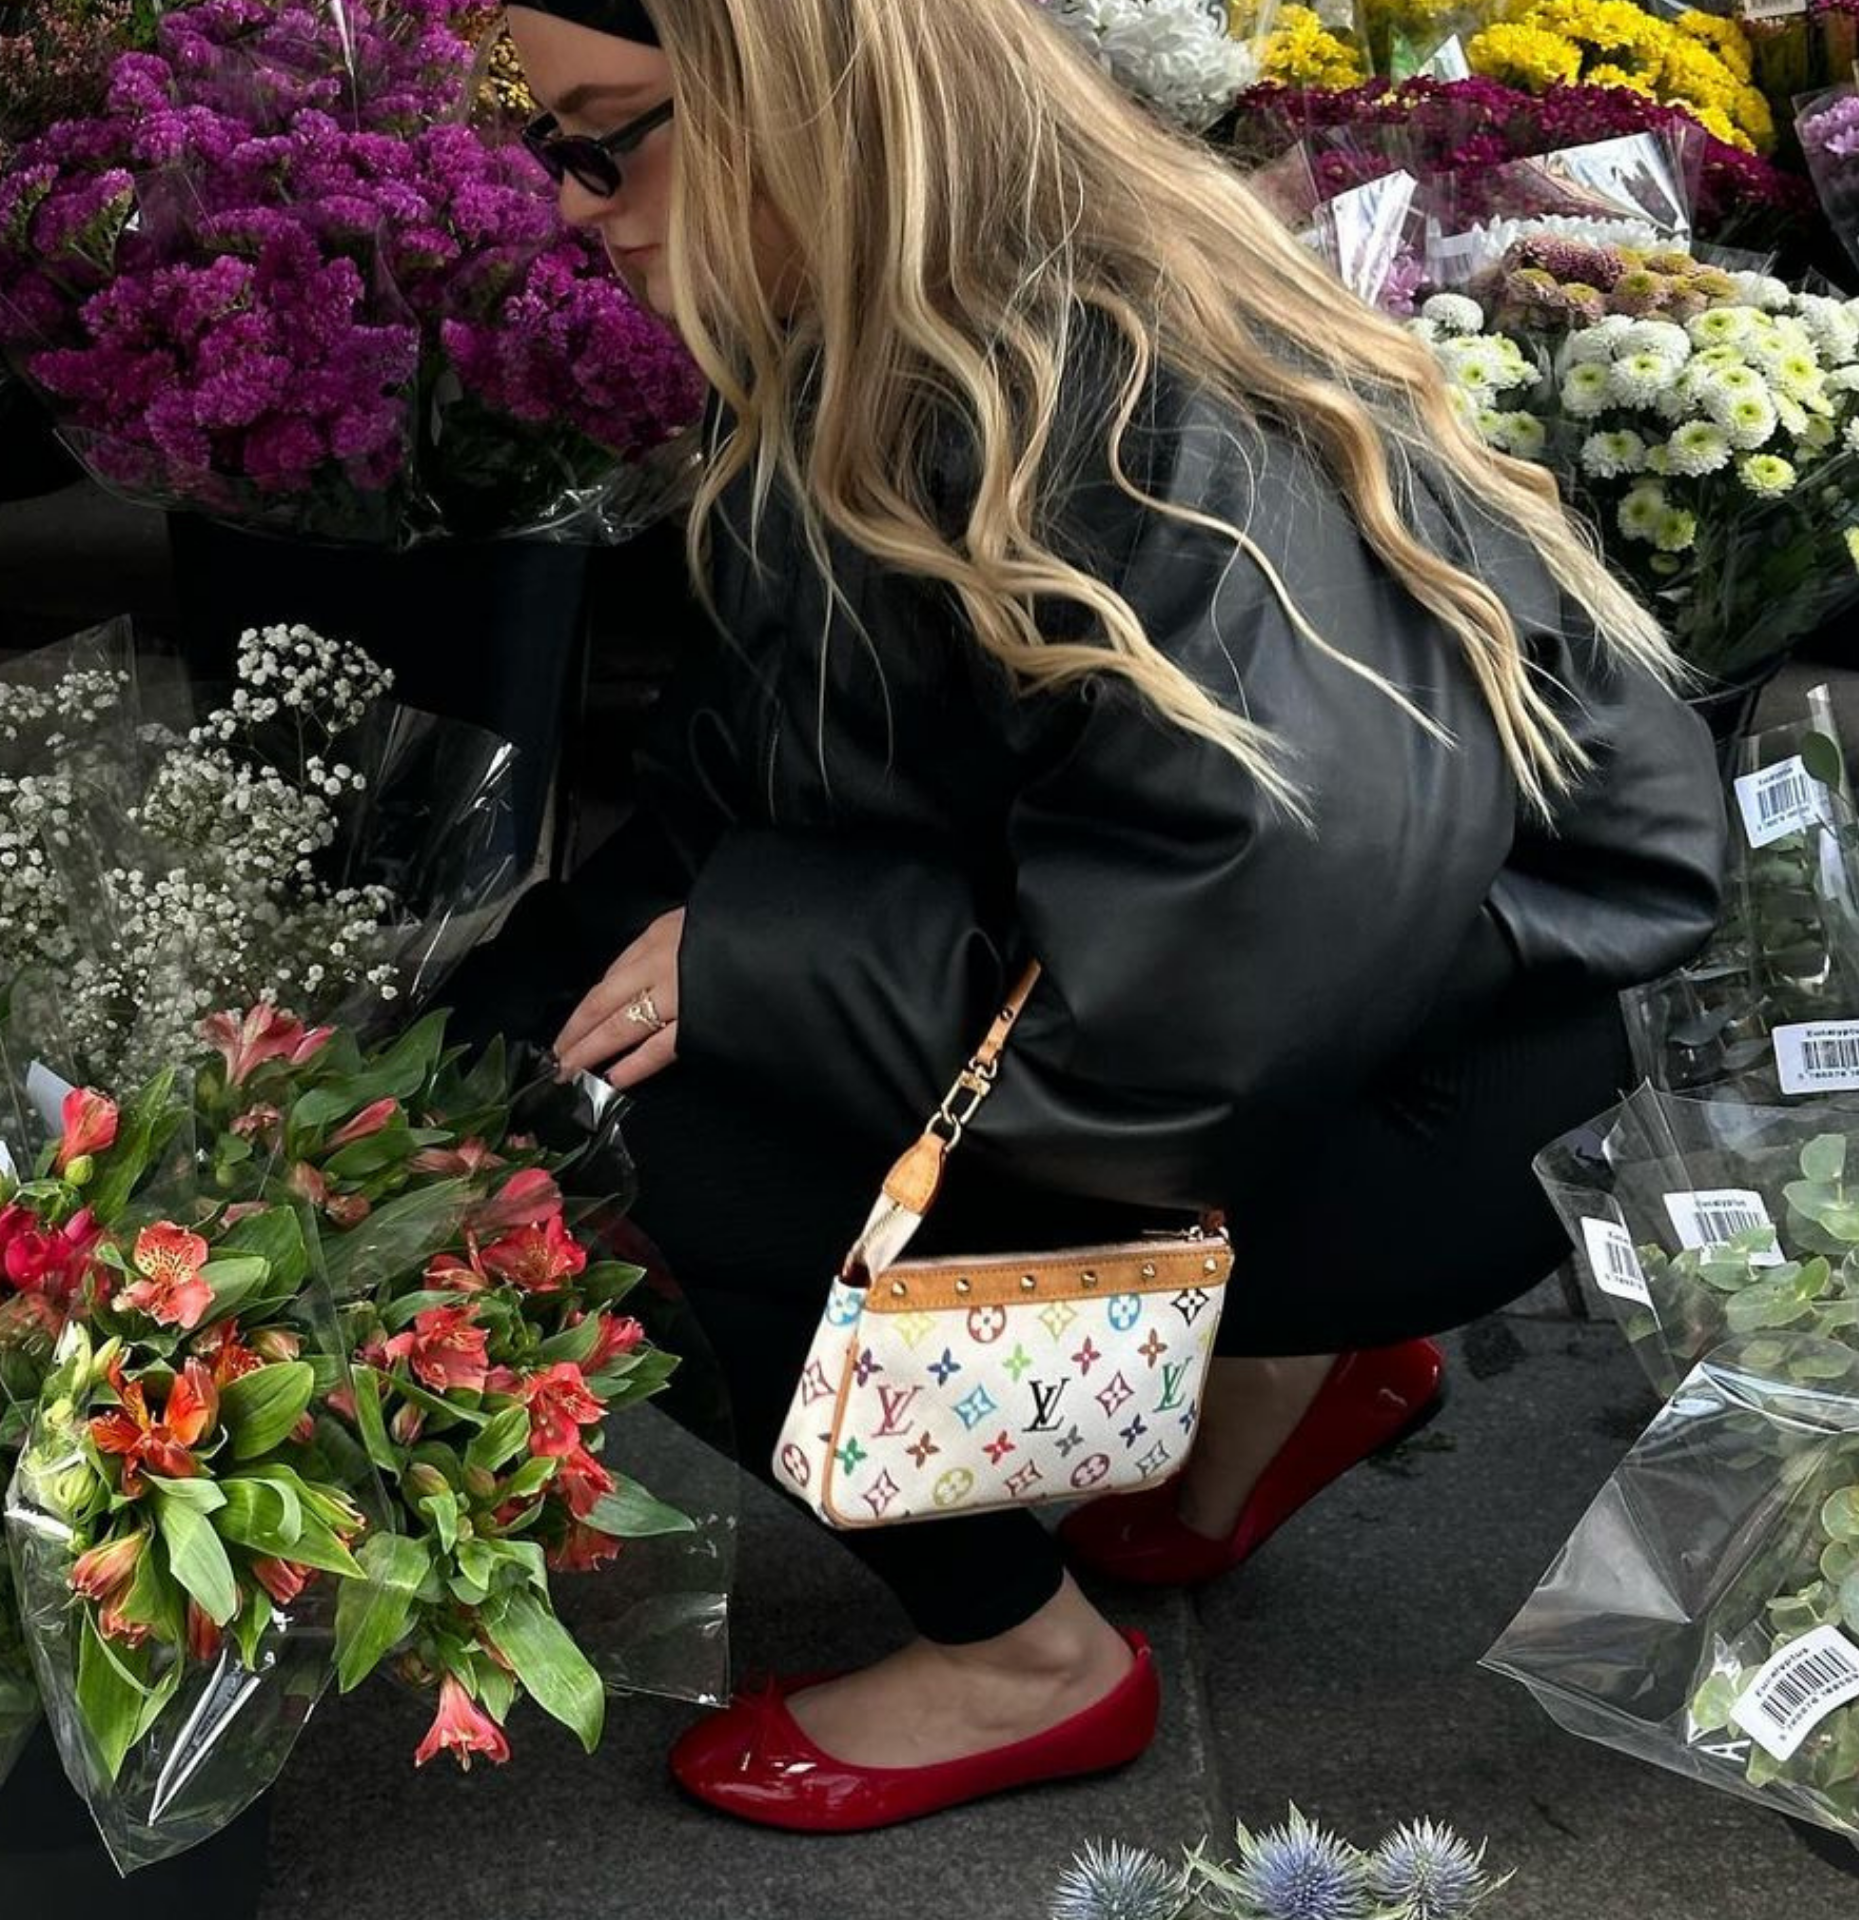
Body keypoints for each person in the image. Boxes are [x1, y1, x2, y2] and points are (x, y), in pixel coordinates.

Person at [461, 0, 1727, 1833]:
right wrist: (470, 1034)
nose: (572, 200)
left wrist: (752, 965)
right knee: (535, 1059)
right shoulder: (886, 334)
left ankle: (1024, 1659)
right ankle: (1275, 1385)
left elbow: (1243, 961)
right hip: (1322, 1010)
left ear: (797, 102)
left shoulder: (1123, 401)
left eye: (605, 136)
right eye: (549, 145)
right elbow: (758, 782)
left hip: (1424, 1075)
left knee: (648, 1157)